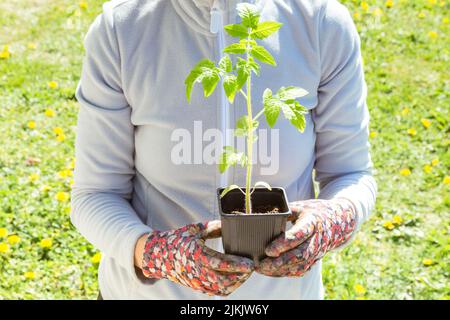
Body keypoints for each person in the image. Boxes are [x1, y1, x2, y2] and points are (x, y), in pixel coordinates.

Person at [71, 0, 377, 300]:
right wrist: (153, 253)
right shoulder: (122, 29)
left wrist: (335, 219)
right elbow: (96, 193)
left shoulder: (320, 22)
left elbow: (351, 173)